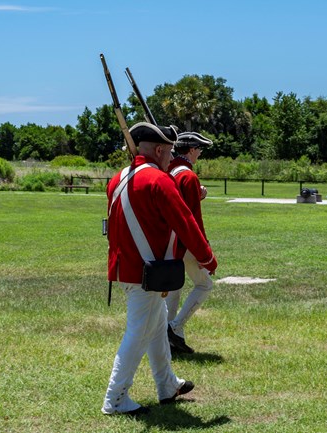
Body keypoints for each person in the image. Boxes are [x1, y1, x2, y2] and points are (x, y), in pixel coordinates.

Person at [102, 122, 217, 415]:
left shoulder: (117, 179)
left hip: (127, 266)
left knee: (154, 327)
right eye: (168, 152)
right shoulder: (159, 180)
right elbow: (185, 223)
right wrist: (206, 257)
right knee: (138, 332)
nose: (171, 158)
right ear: (158, 149)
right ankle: (115, 399)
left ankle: (167, 386)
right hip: (146, 270)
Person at [165, 131, 214, 354]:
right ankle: (174, 328)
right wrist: (204, 251)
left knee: (173, 289)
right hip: (184, 242)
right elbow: (192, 218)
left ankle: (169, 339)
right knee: (204, 284)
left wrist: (198, 194)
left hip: (168, 241)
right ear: (192, 150)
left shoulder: (170, 170)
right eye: (199, 150)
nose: (200, 154)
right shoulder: (188, 176)